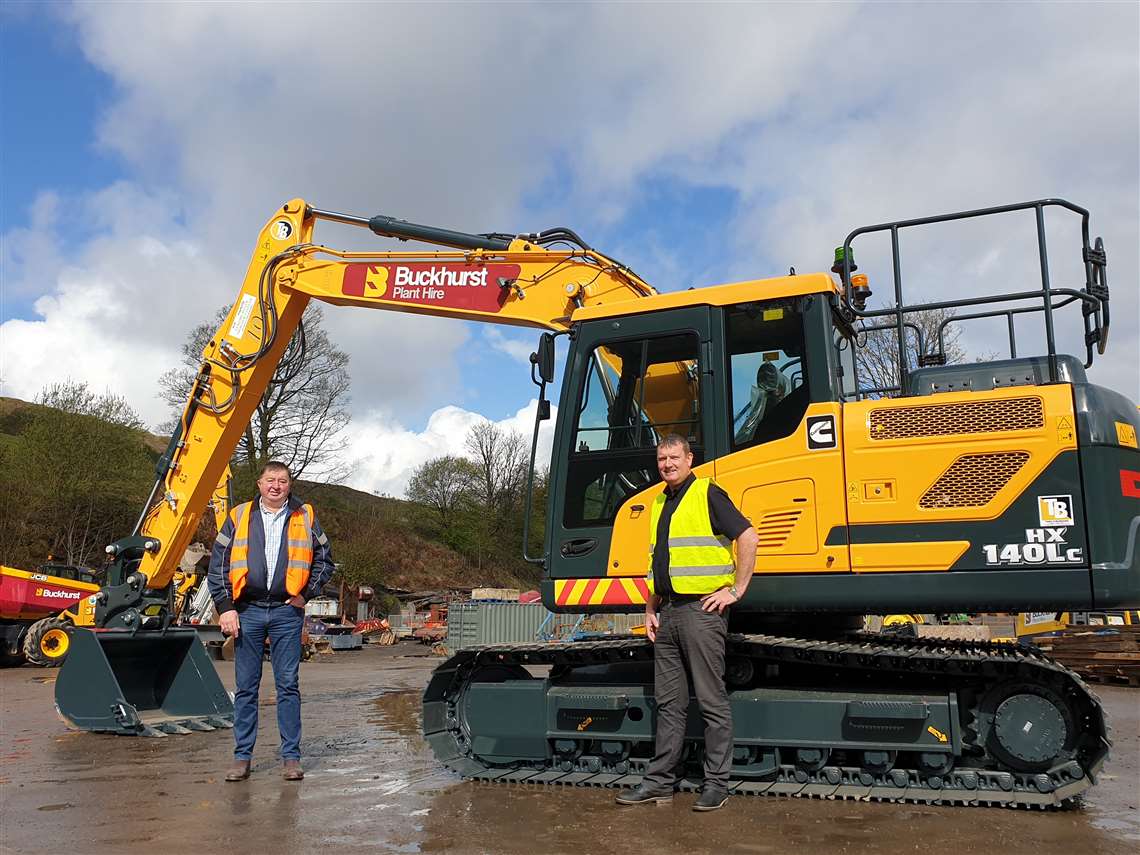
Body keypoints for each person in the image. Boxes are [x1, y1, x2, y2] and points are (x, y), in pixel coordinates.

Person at [616, 434, 758, 812]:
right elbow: (658, 564)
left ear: (689, 458)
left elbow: (747, 535)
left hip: (702, 612)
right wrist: (650, 608)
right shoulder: (659, 501)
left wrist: (736, 590)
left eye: (674, 457)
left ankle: (716, 784)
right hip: (669, 613)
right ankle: (659, 783)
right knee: (669, 704)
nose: (667, 464)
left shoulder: (708, 493)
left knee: (711, 701)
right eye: (661, 458)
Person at [207, 461, 335, 782]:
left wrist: (306, 594)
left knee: (288, 686)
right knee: (246, 688)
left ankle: (291, 758)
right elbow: (218, 564)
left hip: (286, 612)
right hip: (246, 610)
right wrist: (226, 607)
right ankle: (242, 758)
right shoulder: (238, 517)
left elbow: (325, 560)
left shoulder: (304, 517)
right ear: (259, 484)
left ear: (289, 485)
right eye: (270, 480)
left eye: (282, 480)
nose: (276, 485)